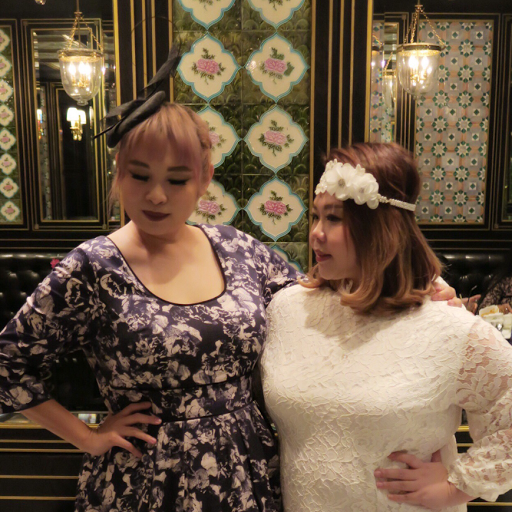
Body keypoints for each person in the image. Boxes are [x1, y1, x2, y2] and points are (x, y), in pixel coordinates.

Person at [0, 99, 302, 511]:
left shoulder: (238, 248)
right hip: (146, 479)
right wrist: (87, 437)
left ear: (204, 178)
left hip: (247, 469)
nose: (157, 196)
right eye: (140, 176)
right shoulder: (93, 266)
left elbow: (310, 305)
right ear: (119, 172)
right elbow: (8, 363)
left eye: (177, 180)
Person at [260, 143, 512, 511]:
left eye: (333, 219)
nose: (316, 233)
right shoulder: (286, 310)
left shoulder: (448, 328)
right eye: (315, 216)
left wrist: (456, 487)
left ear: (380, 228)